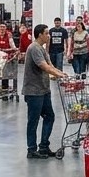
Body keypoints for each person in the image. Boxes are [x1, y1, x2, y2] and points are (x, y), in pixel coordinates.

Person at [23, 24, 67, 159]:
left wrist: (62, 74)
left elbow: (50, 66)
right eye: (47, 33)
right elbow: (43, 66)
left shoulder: (42, 49)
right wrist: (58, 75)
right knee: (33, 120)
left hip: (43, 90)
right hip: (34, 91)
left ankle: (43, 146)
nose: (49, 36)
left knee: (50, 116)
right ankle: (31, 149)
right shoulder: (34, 48)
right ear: (40, 34)